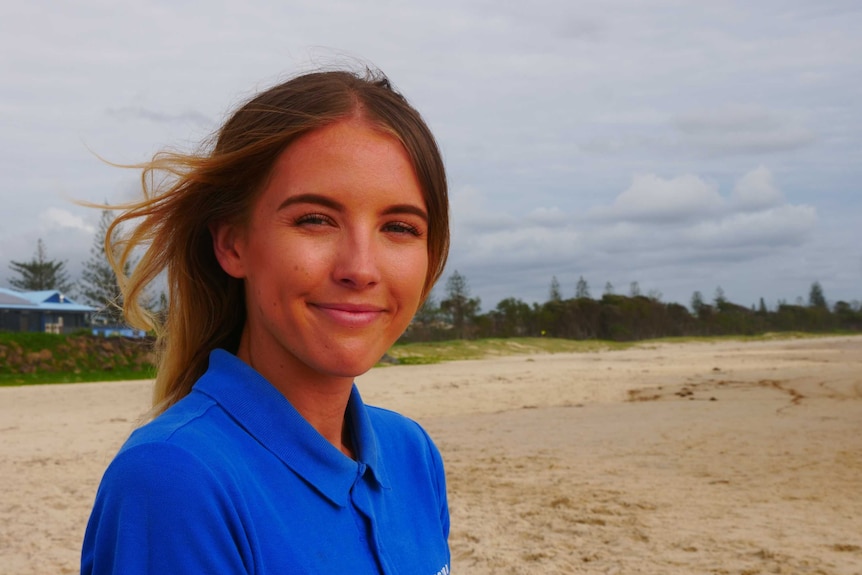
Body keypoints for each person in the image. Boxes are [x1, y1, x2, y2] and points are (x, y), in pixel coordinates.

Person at [81, 68, 451, 575]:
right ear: (233, 243)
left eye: (400, 227)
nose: (361, 269)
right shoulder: (176, 479)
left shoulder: (411, 453)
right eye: (315, 220)